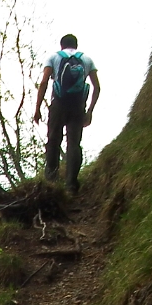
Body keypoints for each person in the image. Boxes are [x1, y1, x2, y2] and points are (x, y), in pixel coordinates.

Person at [33, 34, 100, 194]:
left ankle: (51, 182)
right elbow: (97, 87)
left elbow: (43, 82)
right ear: (76, 45)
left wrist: (37, 109)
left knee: (53, 141)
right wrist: (90, 111)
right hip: (77, 106)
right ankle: (71, 185)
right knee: (74, 144)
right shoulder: (87, 59)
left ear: (61, 45)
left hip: (58, 104)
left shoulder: (54, 57)